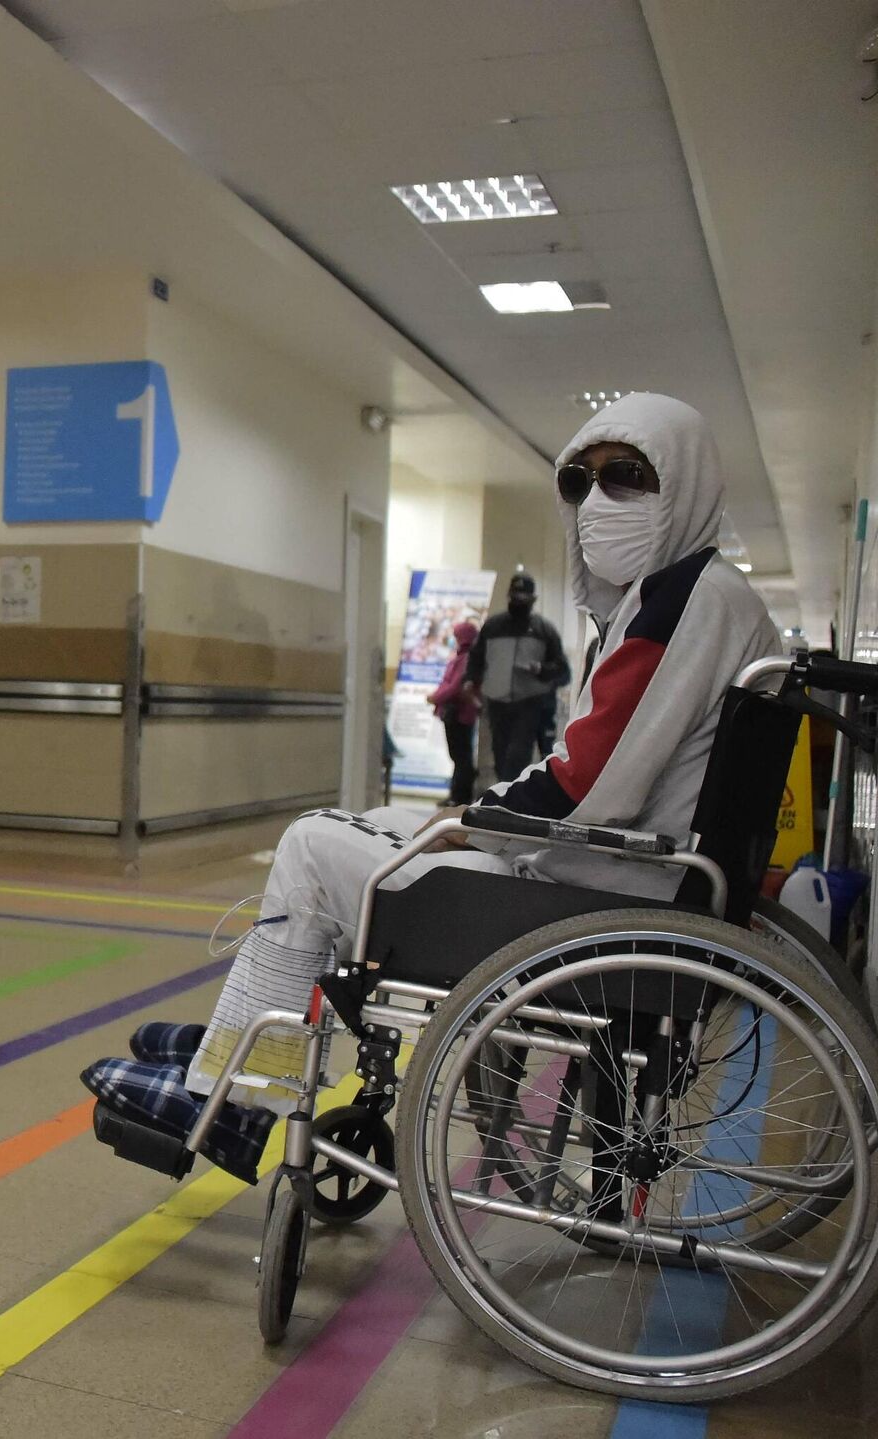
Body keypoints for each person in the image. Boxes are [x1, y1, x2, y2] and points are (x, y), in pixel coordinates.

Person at [80, 392, 780, 1181]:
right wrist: (468, 815)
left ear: (684, 483)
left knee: (310, 845)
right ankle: (241, 1039)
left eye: (626, 476)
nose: (596, 501)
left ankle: (238, 1098)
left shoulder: (682, 602)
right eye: (578, 481)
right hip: (627, 884)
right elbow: (598, 769)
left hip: (596, 904)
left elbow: (585, 785)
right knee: (378, 818)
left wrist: (470, 818)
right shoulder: (695, 598)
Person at [468, 574, 570, 785]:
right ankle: (502, 791)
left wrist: (541, 669)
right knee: (500, 753)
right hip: (496, 702)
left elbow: (562, 670)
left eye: (524, 598)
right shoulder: (493, 627)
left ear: (533, 600)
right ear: (508, 596)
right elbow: (476, 658)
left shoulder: (544, 630)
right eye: (515, 597)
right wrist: (470, 681)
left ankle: (508, 794)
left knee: (517, 755)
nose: (519, 602)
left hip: (529, 702)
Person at [428, 620, 482, 804]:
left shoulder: (466, 659)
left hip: (459, 714)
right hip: (457, 713)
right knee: (459, 756)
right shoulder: (463, 658)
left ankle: (460, 797)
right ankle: (456, 794)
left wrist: (435, 697)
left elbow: (455, 686)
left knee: (461, 757)